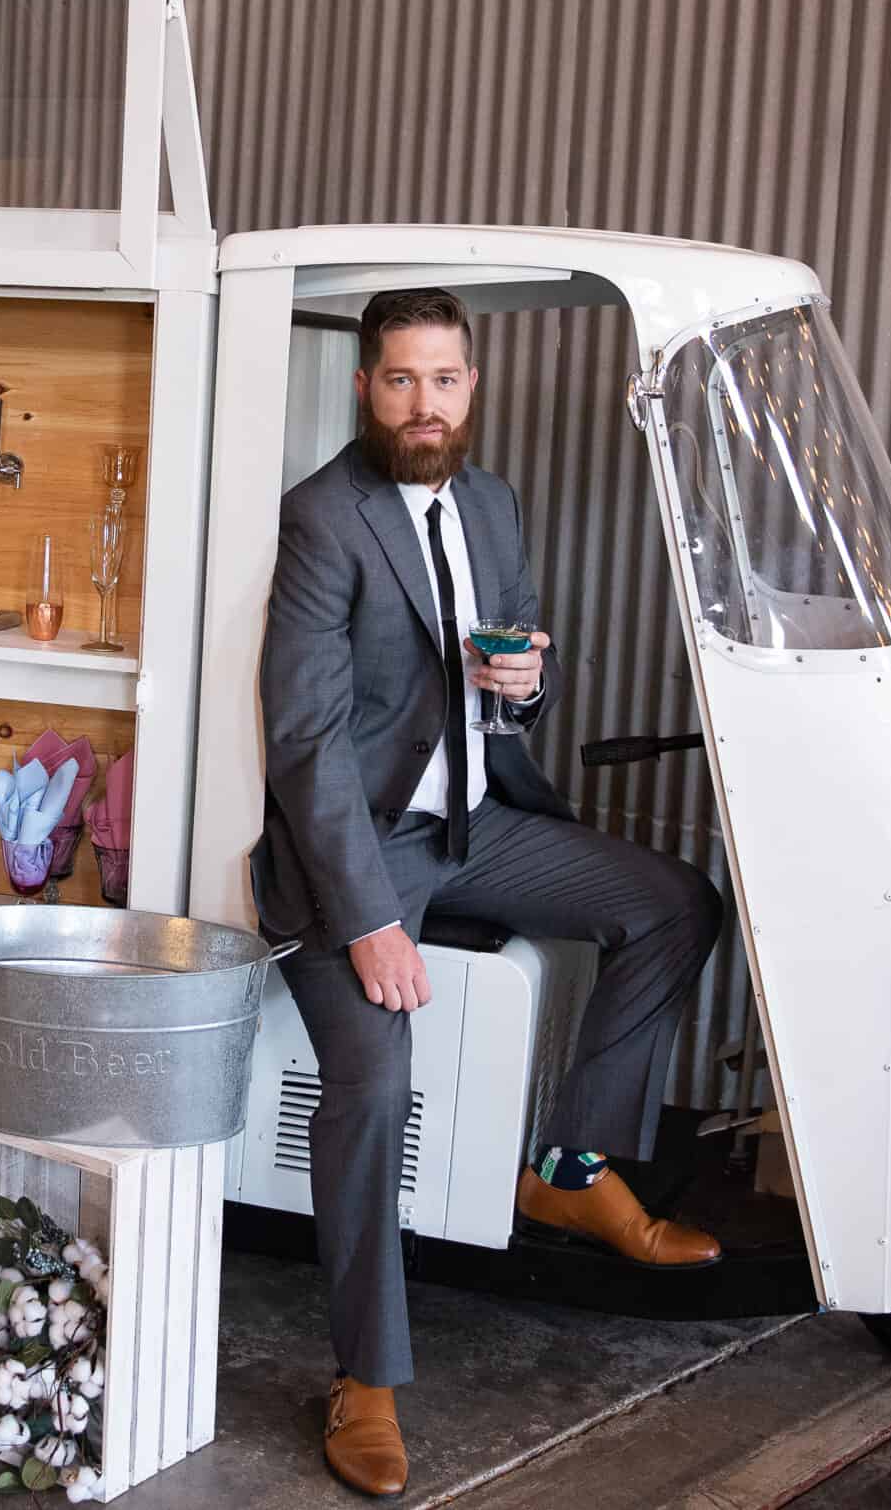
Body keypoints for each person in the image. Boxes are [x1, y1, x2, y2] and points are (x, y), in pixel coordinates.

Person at [253, 287, 725, 1498]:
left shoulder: (494, 501)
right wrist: (362, 919)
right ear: (366, 387)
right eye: (401, 380)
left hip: (478, 821)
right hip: (353, 851)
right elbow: (305, 744)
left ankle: (567, 1172)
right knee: (372, 1085)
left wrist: (521, 685)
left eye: (445, 379)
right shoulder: (322, 519)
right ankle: (365, 1377)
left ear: (472, 385)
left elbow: (509, 678)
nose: (424, 404)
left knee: (674, 902)